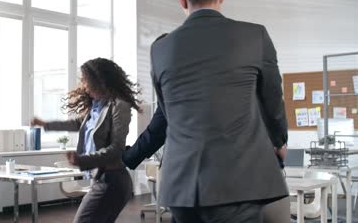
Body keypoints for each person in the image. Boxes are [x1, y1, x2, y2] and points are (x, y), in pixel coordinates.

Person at [149, 0, 289, 222]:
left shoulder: (160, 49)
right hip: (236, 182)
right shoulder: (254, 36)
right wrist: (279, 140)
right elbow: (272, 100)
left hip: (180, 186)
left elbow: (168, 112)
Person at [123, 35, 290, 223]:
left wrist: (127, 158)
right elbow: (270, 112)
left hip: (195, 186)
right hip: (250, 181)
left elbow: (155, 133)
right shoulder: (237, 80)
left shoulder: (178, 92)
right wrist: (278, 147)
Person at [31, 58, 140, 223]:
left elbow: (117, 148)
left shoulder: (119, 106)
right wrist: (45, 124)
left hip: (113, 180)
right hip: (101, 179)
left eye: (85, 79)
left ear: (99, 80)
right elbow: (77, 123)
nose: (83, 84)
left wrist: (82, 160)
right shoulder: (96, 105)